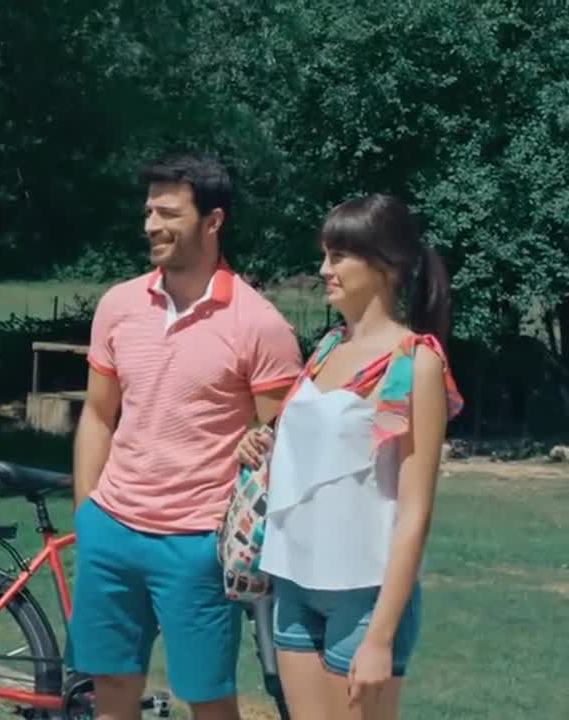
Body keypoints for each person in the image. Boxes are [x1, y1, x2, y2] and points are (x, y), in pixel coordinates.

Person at [69, 153, 304, 720]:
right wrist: (87, 515)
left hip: (197, 544)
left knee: (207, 701)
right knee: (109, 690)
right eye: (149, 211)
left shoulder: (260, 324)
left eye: (169, 213)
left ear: (213, 221)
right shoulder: (119, 305)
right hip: (110, 533)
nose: (152, 225)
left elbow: (284, 445)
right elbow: (98, 415)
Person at [236, 194, 463, 719]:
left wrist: (380, 637)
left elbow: (415, 509)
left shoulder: (415, 362)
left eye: (338, 256)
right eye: (324, 255)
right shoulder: (326, 349)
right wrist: (258, 441)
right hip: (293, 582)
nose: (324, 270)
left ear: (387, 265)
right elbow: (323, 452)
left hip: (365, 594)